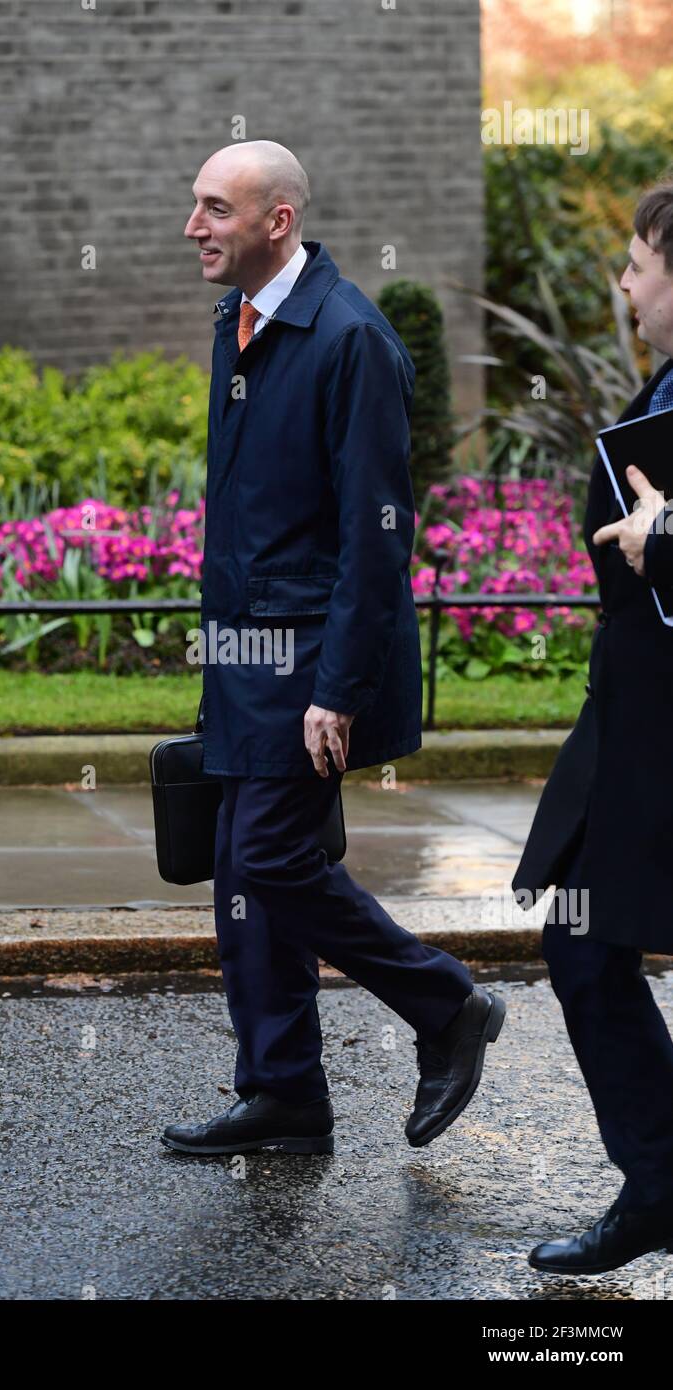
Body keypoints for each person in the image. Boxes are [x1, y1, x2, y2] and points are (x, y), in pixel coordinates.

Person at [161, 139, 505, 1158]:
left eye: (215, 209)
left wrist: (338, 689)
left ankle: (444, 1005)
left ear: (277, 221)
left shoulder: (350, 339)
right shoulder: (239, 320)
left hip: (307, 662)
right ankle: (281, 1094)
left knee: (269, 855)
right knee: (238, 867)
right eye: (194, 205)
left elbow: (374, 529)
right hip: (244, 652)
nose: (193, 227)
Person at [513, 177, 673, 1275]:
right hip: (630, 720)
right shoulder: (663, 382)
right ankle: (660, 1176)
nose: (621, 282)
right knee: (577, 932)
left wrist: (660, 540)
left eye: (634, 264)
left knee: (581, 938)